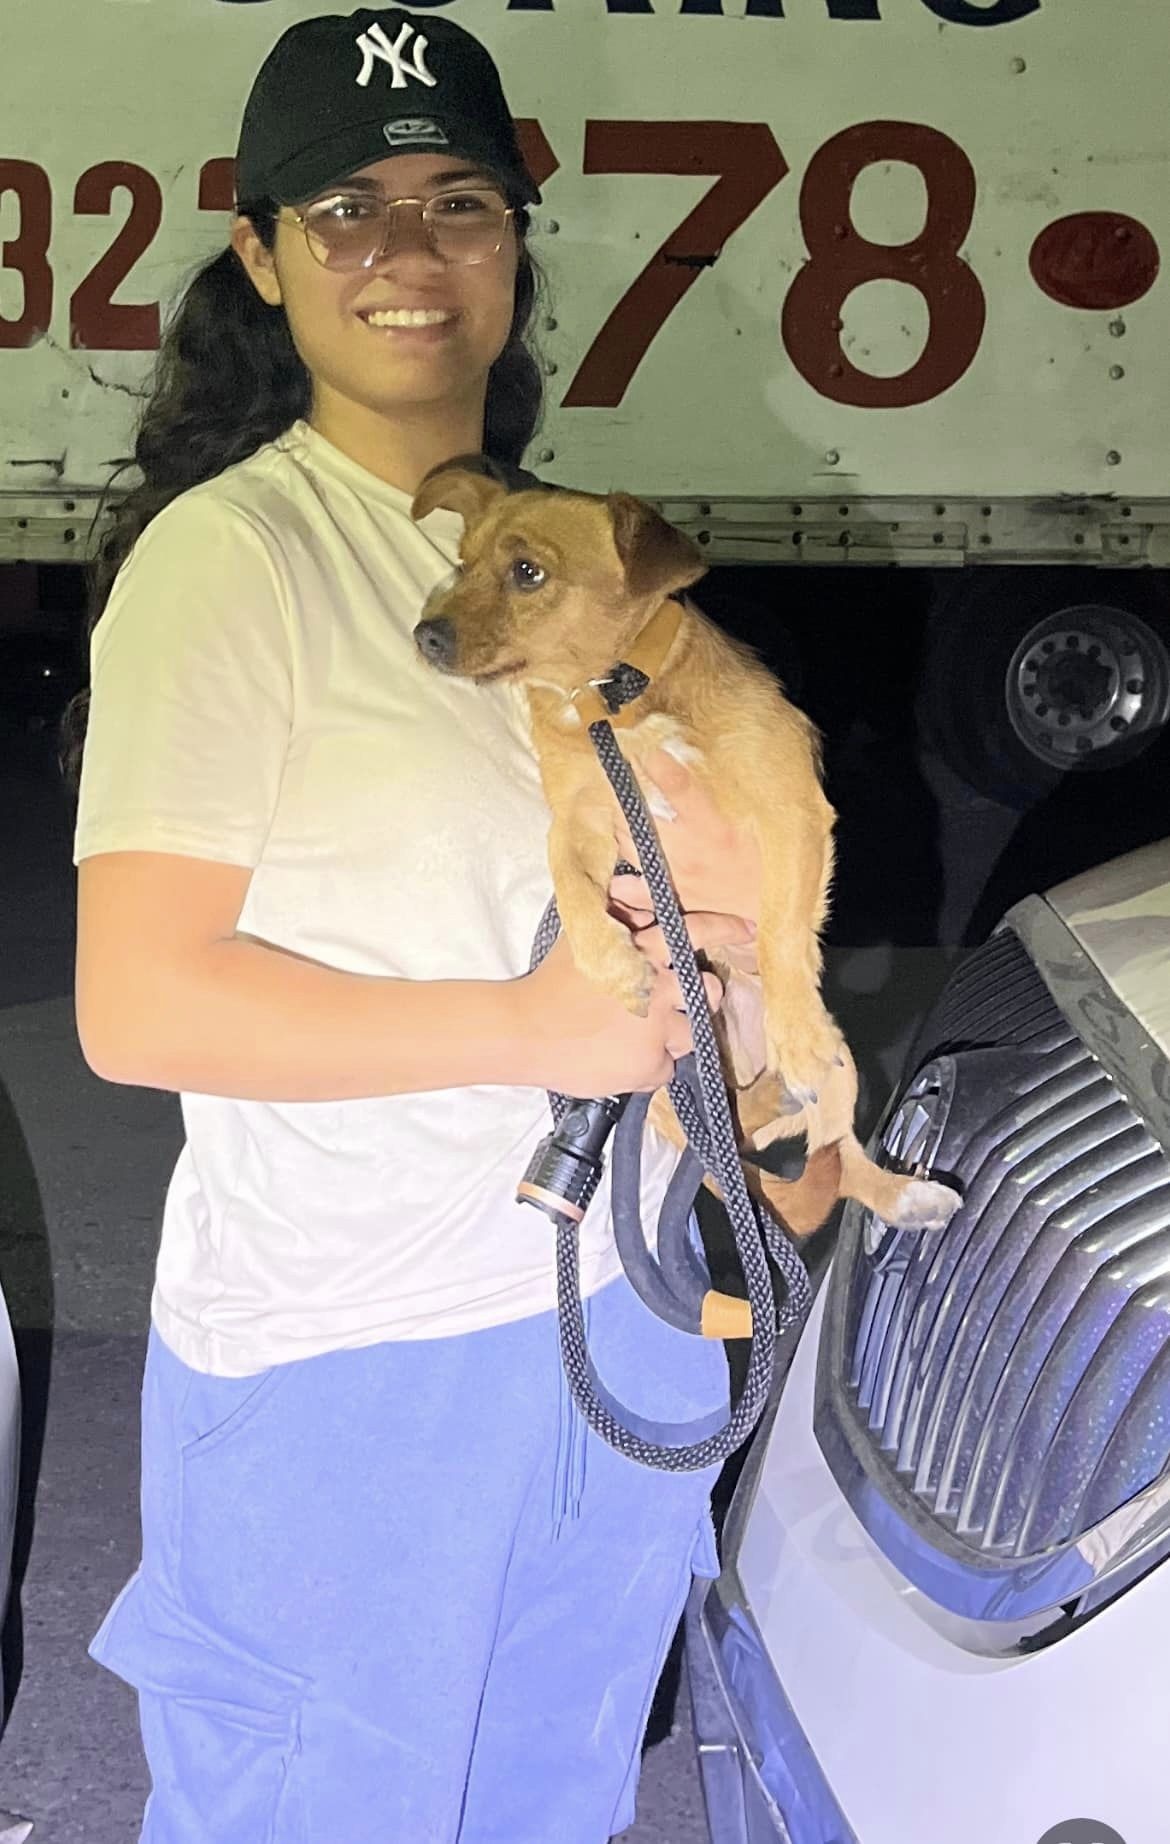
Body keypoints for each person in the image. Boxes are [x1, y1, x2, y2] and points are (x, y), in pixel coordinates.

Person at [62, 9, 762, 1840]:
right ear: (262, 253)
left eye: (455, 201)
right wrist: (530, 1030)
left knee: (547, 1806)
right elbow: (136, 1006)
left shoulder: (553, 548)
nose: (404, 251)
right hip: (354, 1355)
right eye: (345, 209)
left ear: (515, 242)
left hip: (609, 1308)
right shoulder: (237, 559)